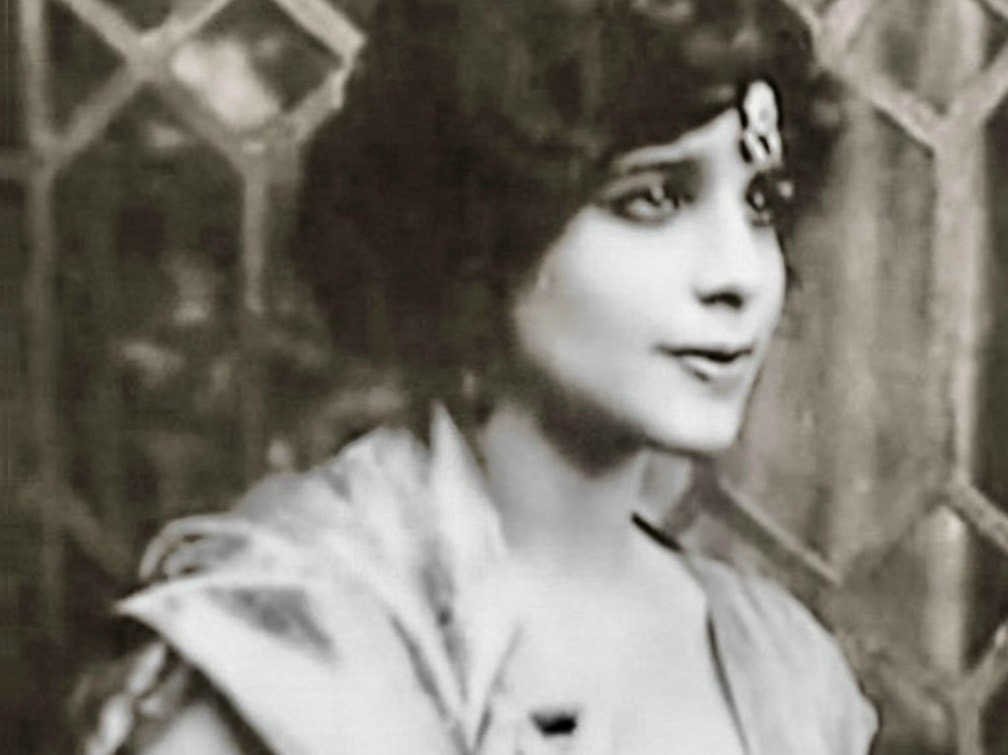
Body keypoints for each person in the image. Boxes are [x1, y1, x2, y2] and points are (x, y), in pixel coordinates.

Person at [77, 0, 878, 752]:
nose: (740, 274)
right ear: (483, 230)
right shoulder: (287, 639)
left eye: (762, 203)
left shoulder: (786, 668)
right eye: (654, 199)